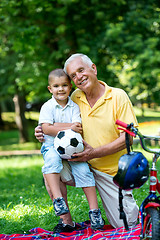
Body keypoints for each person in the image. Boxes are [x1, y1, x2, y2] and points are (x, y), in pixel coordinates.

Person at [35, 54, 139, 233]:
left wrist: (94, 153)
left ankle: (103, 211)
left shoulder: (117, 96)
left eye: (81, 70)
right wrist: (41, 129)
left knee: (128, 226)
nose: (79, 77)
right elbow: (54, 118)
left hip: (110, 172)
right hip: (79, 163)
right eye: (73, 76)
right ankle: (66, 222)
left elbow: (128, 138)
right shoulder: (73, 97)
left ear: (94, 68)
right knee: (51, 167)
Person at [38, 68, 104, 231]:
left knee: (84, 171)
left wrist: (56, 126)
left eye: (64, 85)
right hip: (51, 147)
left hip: (72, 148)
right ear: (50, 89)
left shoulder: (74, 107)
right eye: (56, 86)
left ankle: (94, 212)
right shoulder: (47, 107)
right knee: (52, 161)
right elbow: (46, 129)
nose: (60, 89)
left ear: (70, 87)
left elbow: (77, 129)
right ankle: (58, 200)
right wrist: (66, 126)